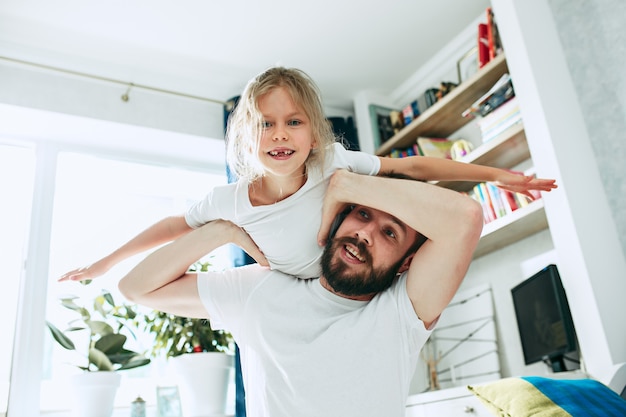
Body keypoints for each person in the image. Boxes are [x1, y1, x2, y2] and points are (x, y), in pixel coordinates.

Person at [60, 67, 556, 282]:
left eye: (293, 122)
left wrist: (494, 173)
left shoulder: (332, 164)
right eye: (266, 124)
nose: (280, 135)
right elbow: (172, 227)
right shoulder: (229, 198)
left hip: (343, 281)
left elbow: (412, 167)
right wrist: (106, 262)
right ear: (246, 138)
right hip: (283, 284)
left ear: (314, 134)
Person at [118, 169, 485, 417]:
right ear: (338, 217)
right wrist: (219, 233)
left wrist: (348, 183)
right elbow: (136, 288)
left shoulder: (404, 311)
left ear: (406, 263)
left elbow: (465, 218)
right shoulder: (259, 289)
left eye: (391, 233)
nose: (366, 234)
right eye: (361, 215)